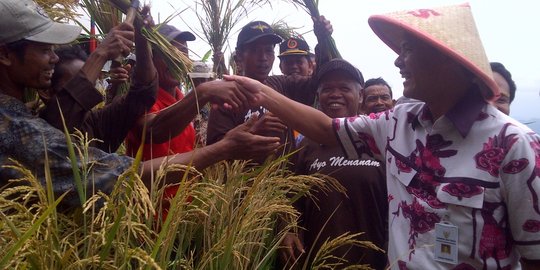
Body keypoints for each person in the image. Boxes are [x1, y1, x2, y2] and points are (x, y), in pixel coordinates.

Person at [228, 4, 540, 269]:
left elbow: (534, 255)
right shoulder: (398, 123)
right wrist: (259, 91)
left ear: (446, 59)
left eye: (407, 50)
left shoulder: (514, 144)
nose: (397, 61)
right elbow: (325, 129)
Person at [0, 0, 280, 210]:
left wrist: (142, 38)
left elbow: (140, 94)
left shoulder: (87, 123)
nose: (51, 58)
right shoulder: (16, 128)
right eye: (43, 49)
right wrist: (222, 147)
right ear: (5, 55)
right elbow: (115, 171)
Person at [280, 59, 387, 269]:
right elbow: (289, 196)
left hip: (374, 261)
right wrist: (287, 230)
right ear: (318, 97)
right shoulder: (304, 145)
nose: (335, 94)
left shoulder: (381, 140)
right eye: (328, 88)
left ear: (361, 96)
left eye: (344, 88)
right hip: (318, 260)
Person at [206, 18, 334, 157]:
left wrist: (323, 41)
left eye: (268, 51)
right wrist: (253, 130)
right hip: (245, 178)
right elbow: (213, 151)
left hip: (289, 177)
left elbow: (319, 82)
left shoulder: (282, 84)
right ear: (239, 58)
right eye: (255, 51)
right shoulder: (226, 97)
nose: (263, 58)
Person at [39, 18, 157, 153]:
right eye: (77, 86)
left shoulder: (95, 124)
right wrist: (101, 53)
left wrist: (141, 38)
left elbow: (142, 94)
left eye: (90, 85)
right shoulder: (35, 129)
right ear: (46, 93)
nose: (85, 95)